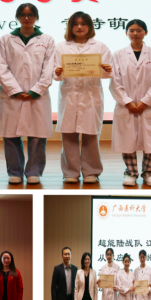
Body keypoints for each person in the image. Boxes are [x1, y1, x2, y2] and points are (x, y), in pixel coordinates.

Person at [0, 2, 55, 184]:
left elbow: (49, 68)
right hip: (11, 96)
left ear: (36, 17)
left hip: (38, 96)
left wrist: (36, 90)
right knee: (10, 135)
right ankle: (15, 171)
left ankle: (34, 171)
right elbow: (2, 67)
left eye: (30, 15)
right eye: (22, 15)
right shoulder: (6, 39)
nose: (27, 18)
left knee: (37, 135)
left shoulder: (47, 40)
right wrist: (15, 90)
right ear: (17, 17)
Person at [53, 11, 112, 183]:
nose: (79, 27)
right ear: (70, 27)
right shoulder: (61, 46)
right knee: (69, 136)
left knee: (90, 136)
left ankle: (91, 172)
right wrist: (57, 72)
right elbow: (55, 73)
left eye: (83, 24)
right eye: (75, 24)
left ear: (90, 26)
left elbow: (108, 73)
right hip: (69, 95)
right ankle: (70, 172)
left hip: (90, 96)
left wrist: (107, 70)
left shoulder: (100, 46)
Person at [110, 19, 151, 187]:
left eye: (139, 30)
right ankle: (131, 172)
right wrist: (127, 102)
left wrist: (145, 102)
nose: (135, 33)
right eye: (132, 30)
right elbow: (115, 82)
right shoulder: (118, 55)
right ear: (126, 33)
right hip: (126, 107)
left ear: (145, 32)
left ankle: (150, 172)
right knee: (127, 140)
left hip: (149, 106)